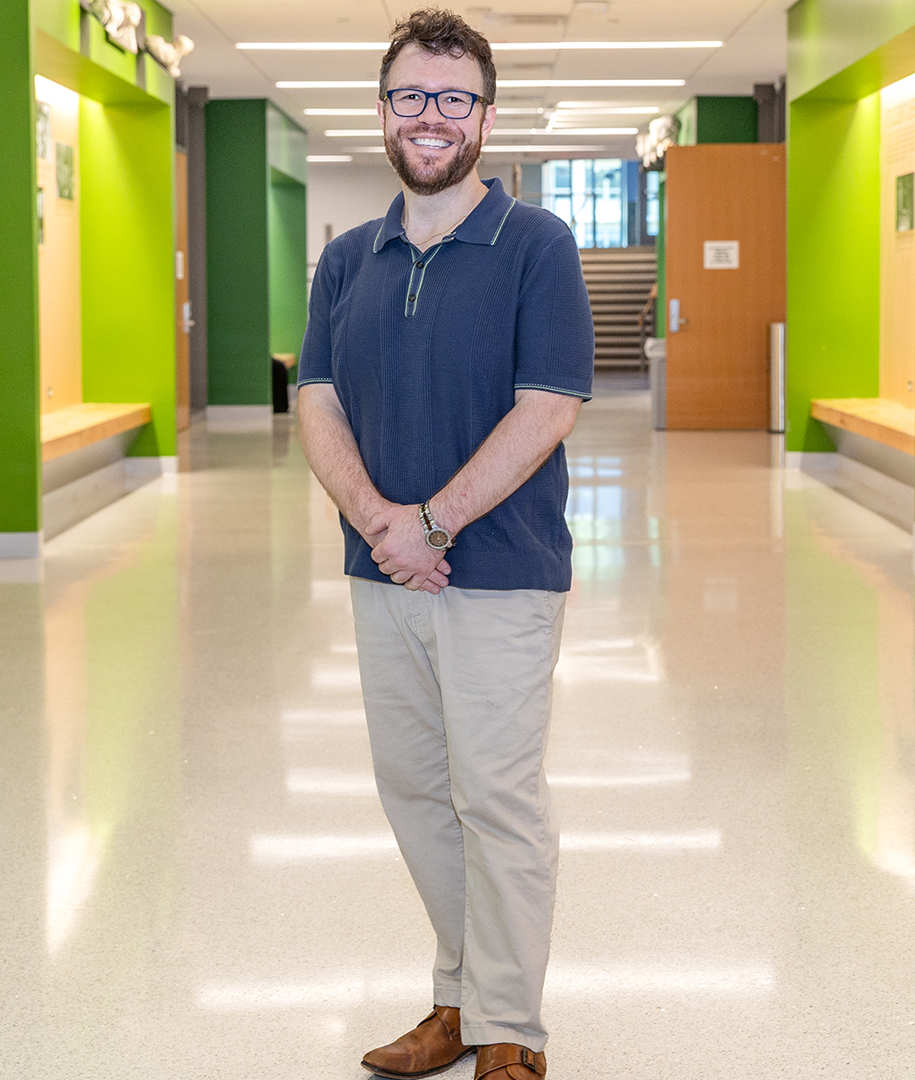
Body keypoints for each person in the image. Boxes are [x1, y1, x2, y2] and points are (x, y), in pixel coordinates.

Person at [294, 9, 594, 1080]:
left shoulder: (535, 246)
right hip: (381, 571)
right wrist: (381, 525)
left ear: (484, 116)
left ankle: (509, 1025)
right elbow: (316, 402)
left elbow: (547, 405)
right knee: (414, 788)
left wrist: (432, 523)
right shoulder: (348, 260)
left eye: (452, 98)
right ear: (381, 111)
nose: (431, 117)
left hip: (500, 572)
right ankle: (458, 999)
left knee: (496, 798)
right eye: (411, 96)